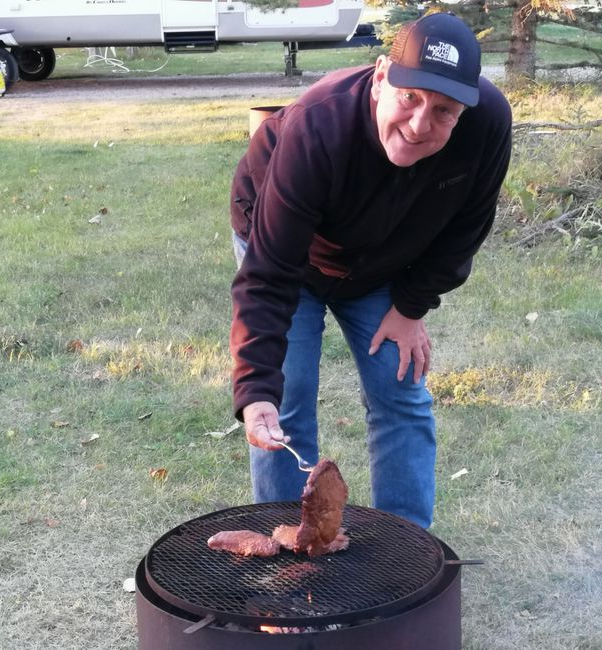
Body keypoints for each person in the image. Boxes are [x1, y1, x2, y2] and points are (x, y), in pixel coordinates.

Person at [228, 13, 512, 529]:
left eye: (444, 111)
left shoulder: (488, 123)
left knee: (401, 392)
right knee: (284, 401)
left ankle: (406, 550)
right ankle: (293, 559)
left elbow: (466, 229)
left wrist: (409, 308)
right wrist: (256, 389)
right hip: (290, 252)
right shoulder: (318, 125)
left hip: (380, 262)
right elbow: (269, 275)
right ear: (382, 77)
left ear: (465, 110)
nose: (420, 124)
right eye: (410, 98)